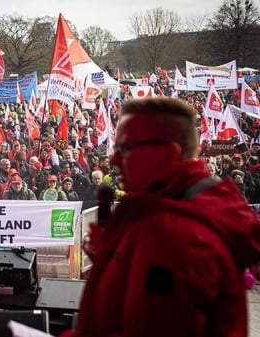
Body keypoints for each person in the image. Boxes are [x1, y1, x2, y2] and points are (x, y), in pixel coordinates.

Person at [66, 97, 260, 337]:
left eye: (126, 148)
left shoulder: (179, 238)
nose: (114, 160)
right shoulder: (154, 215)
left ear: (169, 153)